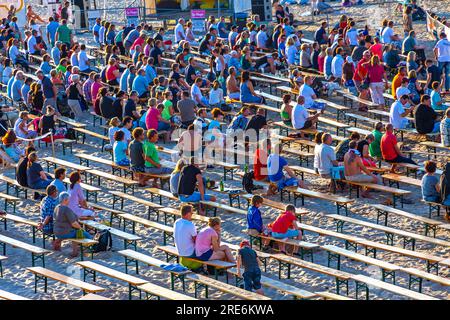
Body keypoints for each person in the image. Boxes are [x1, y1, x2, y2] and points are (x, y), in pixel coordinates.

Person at [52, 192, 92, 257]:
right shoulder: (66, 209)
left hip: (56, 231)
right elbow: (74, 223)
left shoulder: (57, 207)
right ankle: (78, 251)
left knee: (75, 232)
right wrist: (80, 228)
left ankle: (58, 243)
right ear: (65, 200)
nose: (69, 201)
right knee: (84, 234)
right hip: (65, 232)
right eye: (68, 199)